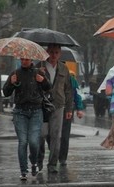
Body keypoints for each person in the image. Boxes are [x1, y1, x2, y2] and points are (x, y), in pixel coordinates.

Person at [3, 58, 51, 180]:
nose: (24, 61)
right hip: (20, 112)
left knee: (34, 142)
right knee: (23, 141)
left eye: (27, 59)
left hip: (36, 111)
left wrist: (43, 80)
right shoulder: (15, 73)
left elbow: (48, 87)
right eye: (22, 59)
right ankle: (23, 171)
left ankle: (34, 162)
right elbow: (6, 92)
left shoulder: (38, 72)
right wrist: (11, 83)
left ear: (31, 60)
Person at [36, 44, 73, 173]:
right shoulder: (39, 67)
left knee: (56, 136)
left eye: (56, 52)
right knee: (41, 134)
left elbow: (68, 90)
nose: (53, 55)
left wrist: (69, 109)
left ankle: (52, 164)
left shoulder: (64, 69)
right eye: (51, 52)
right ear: (47, 52)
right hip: (42, 106)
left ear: (60, 54)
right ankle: (38, 159)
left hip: (58, 105)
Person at [58, 70, 85, 166]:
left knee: (64, 134)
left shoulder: (72, 79)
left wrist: (79, 108)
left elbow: (76, 95)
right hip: (54, 108)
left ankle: (62, 158)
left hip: (67, 109)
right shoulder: (52, 76)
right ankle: (55, 153)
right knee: (53, 134)